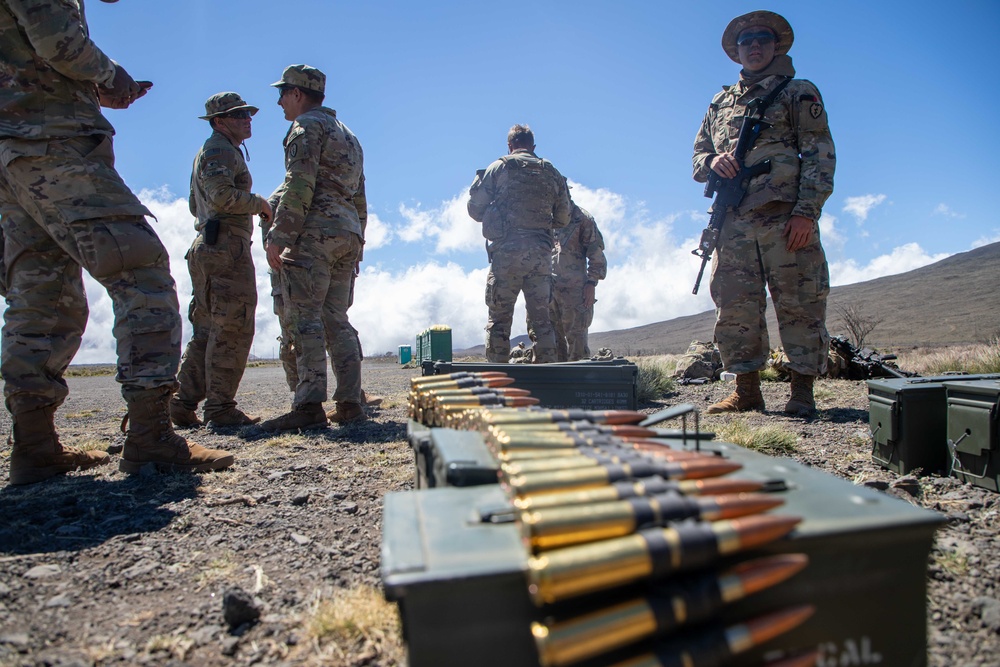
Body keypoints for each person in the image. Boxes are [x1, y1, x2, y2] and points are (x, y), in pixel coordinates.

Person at [0, 0, 233, 485]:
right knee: (141, 272)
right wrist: (110, 77)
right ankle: (150, 434)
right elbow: (56, 40)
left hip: (12, 153)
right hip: (55, 142)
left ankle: (35, 445)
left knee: (41, 296)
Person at [692, 10, 835, 417]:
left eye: (762, 39)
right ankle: (746, 392)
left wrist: (807, 212)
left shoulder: (798, 91)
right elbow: (697, 156)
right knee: (736, 305)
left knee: (800, 300)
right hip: (733, 221)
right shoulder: (719, 104)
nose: (754, 46)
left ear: (775, 46)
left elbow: (820, 154)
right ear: (736, 52)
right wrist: (712, 162)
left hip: (784, 216)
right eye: (746, 41)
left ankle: (802, 393)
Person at [260, 64, 368, 432]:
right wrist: (359, 241)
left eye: (283, 94)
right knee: (336, 318)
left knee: (304, 318)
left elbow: (299, 182)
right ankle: (351, 402)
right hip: (347, 233)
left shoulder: (306, 127)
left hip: (314, 234)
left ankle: (308, 406)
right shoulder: (349, 135)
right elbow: (360, 196)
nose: (279, 102)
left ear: (298, 94)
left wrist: (280, 235)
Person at [170, 93, 272, 429]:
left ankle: (182, 404)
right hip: (226, 247)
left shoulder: (212, 151)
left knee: (208, 328)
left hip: (210, 245)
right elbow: (222, 196)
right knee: (233, 326)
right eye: (238, 114)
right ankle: (219, 409)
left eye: (247, 113)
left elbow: (192, 203)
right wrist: (259, 203)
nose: (247, 118)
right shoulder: (219, 150)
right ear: (218, 121)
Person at [468, 124, 570, 363]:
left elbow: (475, 210)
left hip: (506, 257)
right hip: (541, 258)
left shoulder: (499, 168)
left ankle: (498, 382)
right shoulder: (551, 172)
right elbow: (563, 217)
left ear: (510, 145)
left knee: (499, 321)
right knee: (542, 321)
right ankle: (546, 382)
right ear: (533, 147)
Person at [550, 200, 607, 361]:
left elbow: (596, 255)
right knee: (550, 345)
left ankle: (579, 384)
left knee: (577, 345)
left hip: (574, 291)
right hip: (547, 290)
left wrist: (591, 282)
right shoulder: (545, 217)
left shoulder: (582, 218)